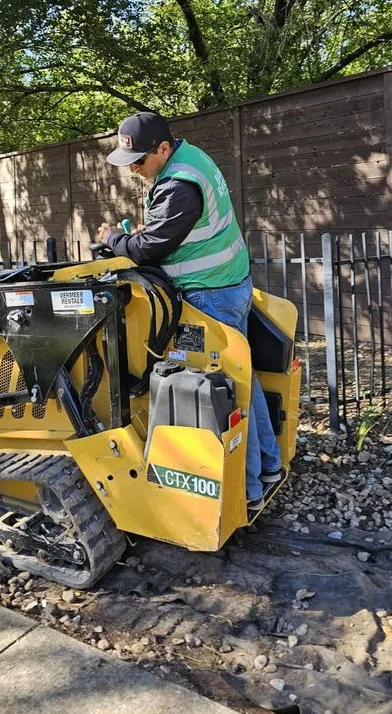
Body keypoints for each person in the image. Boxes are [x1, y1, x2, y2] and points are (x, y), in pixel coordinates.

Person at [97, 111, 282, 511]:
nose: (133, 169)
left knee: (227, 393)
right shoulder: (191, 157)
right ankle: (269, 467)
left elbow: (150, 248)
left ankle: (247, 491)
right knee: (244, 381)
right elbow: (171, 230)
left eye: (138, 160)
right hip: (229, 284)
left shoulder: (178, 184)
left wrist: (114, 240)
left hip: (209, 294)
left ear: (162, 149)